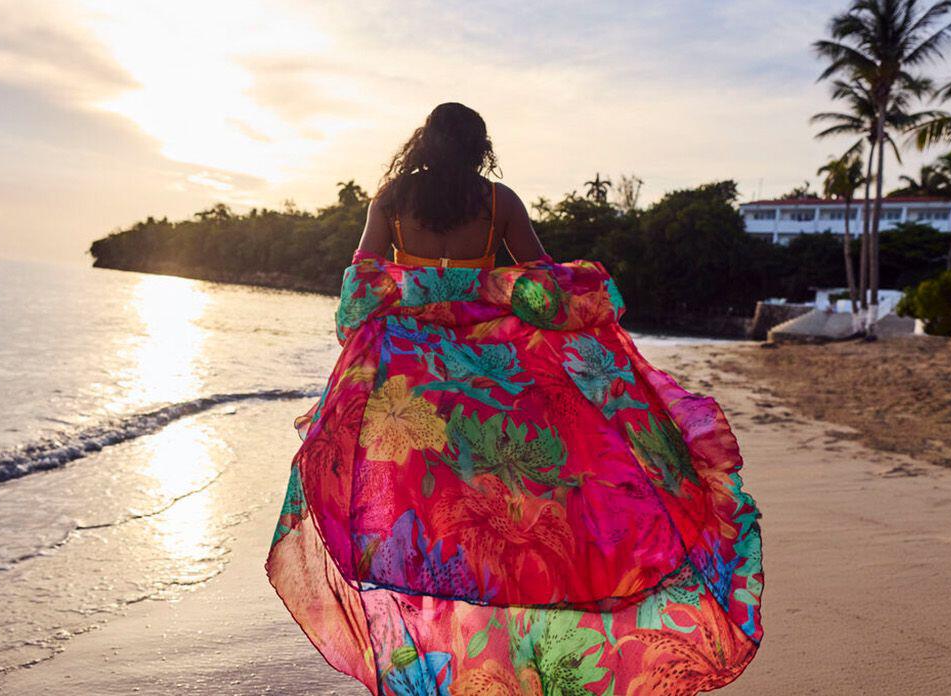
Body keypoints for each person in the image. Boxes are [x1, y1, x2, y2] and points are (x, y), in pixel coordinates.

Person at [265, 103, 764, 695]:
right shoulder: (498, 202)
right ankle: (504, 634)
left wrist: (420, 288)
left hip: (414, 380)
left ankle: (449, 645)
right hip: (489, 379)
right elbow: (545, 286)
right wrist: (489, 288)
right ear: (480, 148)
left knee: (427, 513)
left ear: (423, 143)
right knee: (508, 503)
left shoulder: (393, 198)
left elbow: (362, 281)